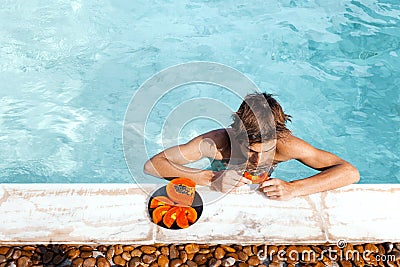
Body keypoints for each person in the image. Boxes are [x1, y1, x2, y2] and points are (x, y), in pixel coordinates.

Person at [144, 93, 360, 200]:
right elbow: (152, 166)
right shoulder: (217, 143)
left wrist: (294, 188)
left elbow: (349, 172)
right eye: (252, 151)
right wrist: (210, 178)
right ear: (237, 138)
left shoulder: (286, 146)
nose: (259, 160)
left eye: (267, 151)